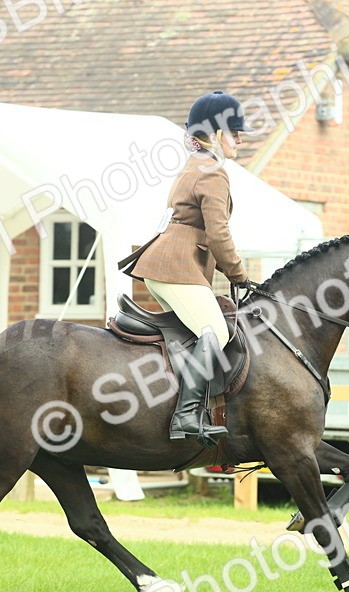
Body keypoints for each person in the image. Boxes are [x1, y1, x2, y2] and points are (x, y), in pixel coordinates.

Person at [119, 90, 250, 444]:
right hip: (177, 267)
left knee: (194, 337)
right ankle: (186, 416)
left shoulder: (196, 166)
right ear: (215, 132)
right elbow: (218, 233)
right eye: (234, 132)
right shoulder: (213, 172)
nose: (239, 138)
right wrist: (239, 274)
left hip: (167, 265)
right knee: (216, 332)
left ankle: (175, 402)